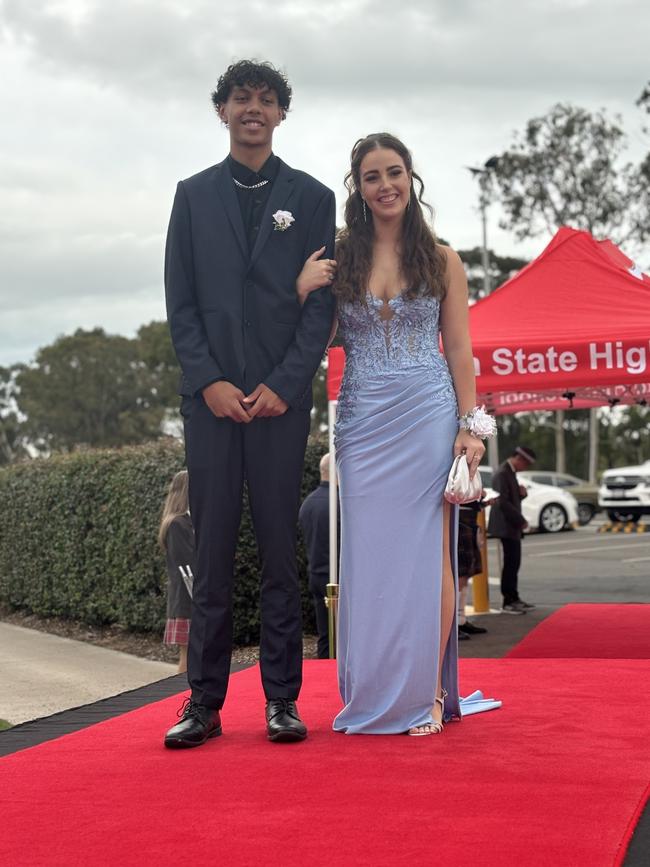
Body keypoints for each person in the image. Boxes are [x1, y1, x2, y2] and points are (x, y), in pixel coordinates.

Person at [163, 60, 336, 748]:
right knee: (210, 552)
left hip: (279, 404)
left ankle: (282, 699)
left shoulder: (313, 197)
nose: (253, 109)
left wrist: (284, 385)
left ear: (281, 114)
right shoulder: (192, 195)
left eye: (266, 100)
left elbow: (319, 305)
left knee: (277, 550)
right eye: (242, 98)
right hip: (210, 403)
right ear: (223, 110)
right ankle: (202, 704)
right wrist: (207, 380)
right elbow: (180, 301)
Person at [298, 133, 495, 735]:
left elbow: (459, 348)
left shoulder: (441, 258)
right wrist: (301, 287)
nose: (385, 185)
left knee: (428, 558)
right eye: (371, 176)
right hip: (362, 423)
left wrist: (471, 427)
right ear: (357, 187)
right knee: (368, 560)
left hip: (427, 416)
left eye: (395, 172)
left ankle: (428, 693)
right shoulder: (339, 256)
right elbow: (316, 334)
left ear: (412, 179)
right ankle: (373, 689)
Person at [487, 446, 537, 614]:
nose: (526, 468)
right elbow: (502, 502)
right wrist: (520, 520)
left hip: (510, 525)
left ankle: (513, 597)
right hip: (506, 525)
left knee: (513, 563)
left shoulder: (509, 471)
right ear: (520, 459)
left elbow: (509, 498)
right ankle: (508, 600)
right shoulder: (503, 473)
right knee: (511, 563)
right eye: (526, 464)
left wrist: (522, 494)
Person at [298, 453, 338, 659]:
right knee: (343, 635)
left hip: (315, 573)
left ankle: (324, 674)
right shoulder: (340, 503)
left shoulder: (308, 503)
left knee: (325, 635)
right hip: (338, 579)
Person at [159, 470, 195, 673]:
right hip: (187, 598)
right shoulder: (177, 524)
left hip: (191, 596)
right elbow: (186, 565)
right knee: (187, 655)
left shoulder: (186, 522)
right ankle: (181, 695)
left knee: (195, 654)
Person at [457, 496, 491, 640]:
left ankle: (461, 620)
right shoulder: (454, 472)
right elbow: (454, 492)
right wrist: (477, 493)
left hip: (468, 519)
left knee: (465, 573)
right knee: (459, 573)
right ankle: (454, 623)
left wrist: (481, 501)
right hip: (459, 519)